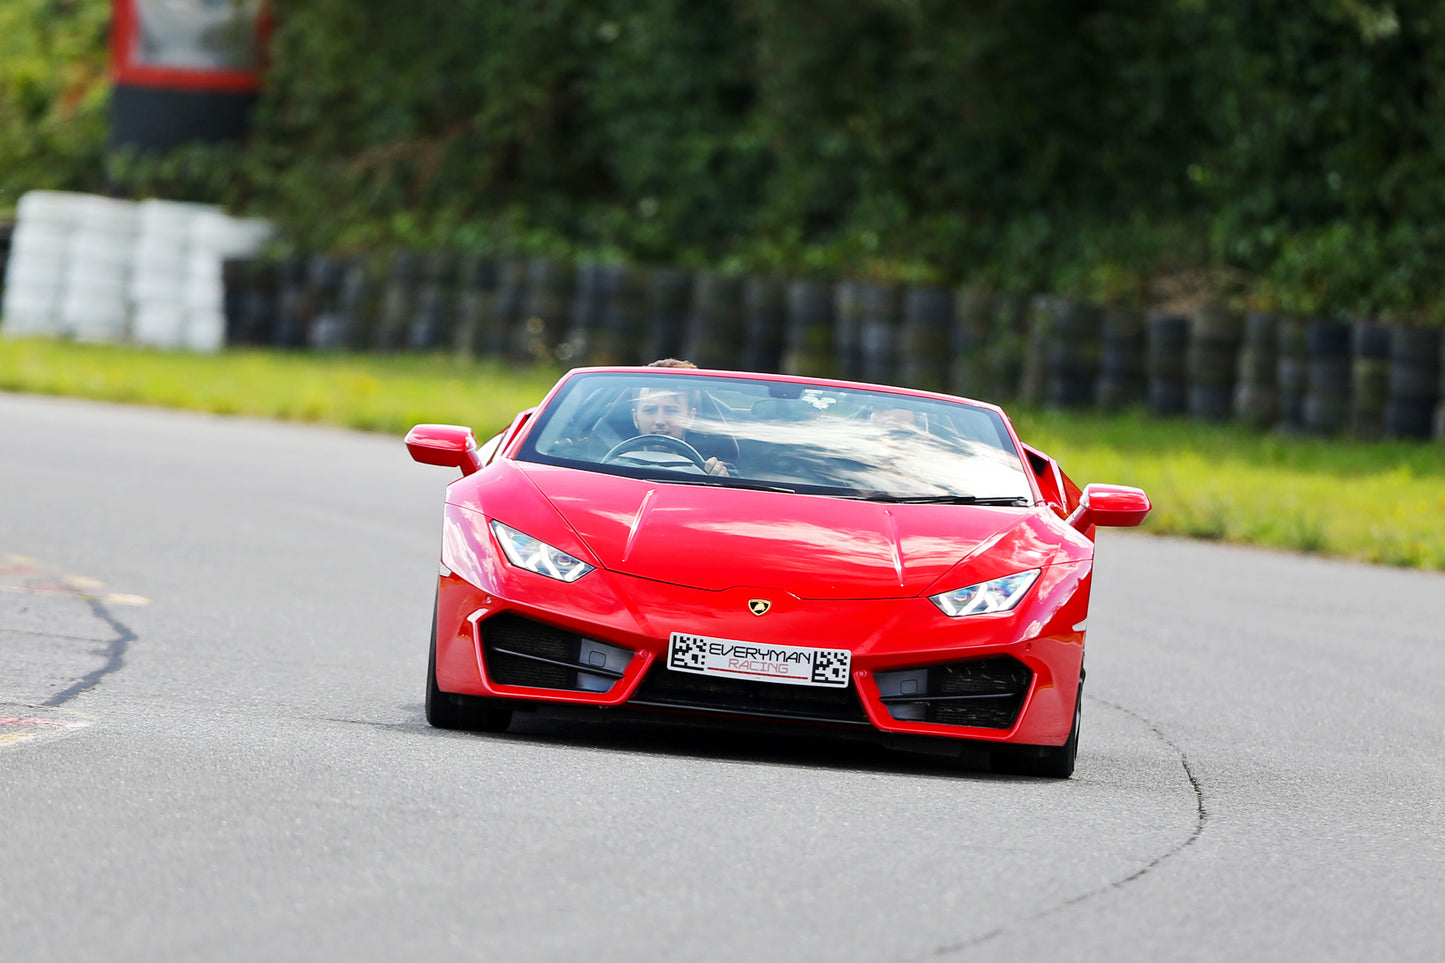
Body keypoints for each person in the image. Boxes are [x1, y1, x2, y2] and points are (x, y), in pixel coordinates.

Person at [631, 385, 729, 476]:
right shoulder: (616, 469)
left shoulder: (715, 471)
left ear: (690, 418)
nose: (659, 421)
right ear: (635, 418)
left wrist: (718, 483)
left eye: (671, 411)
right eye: (649, 410)